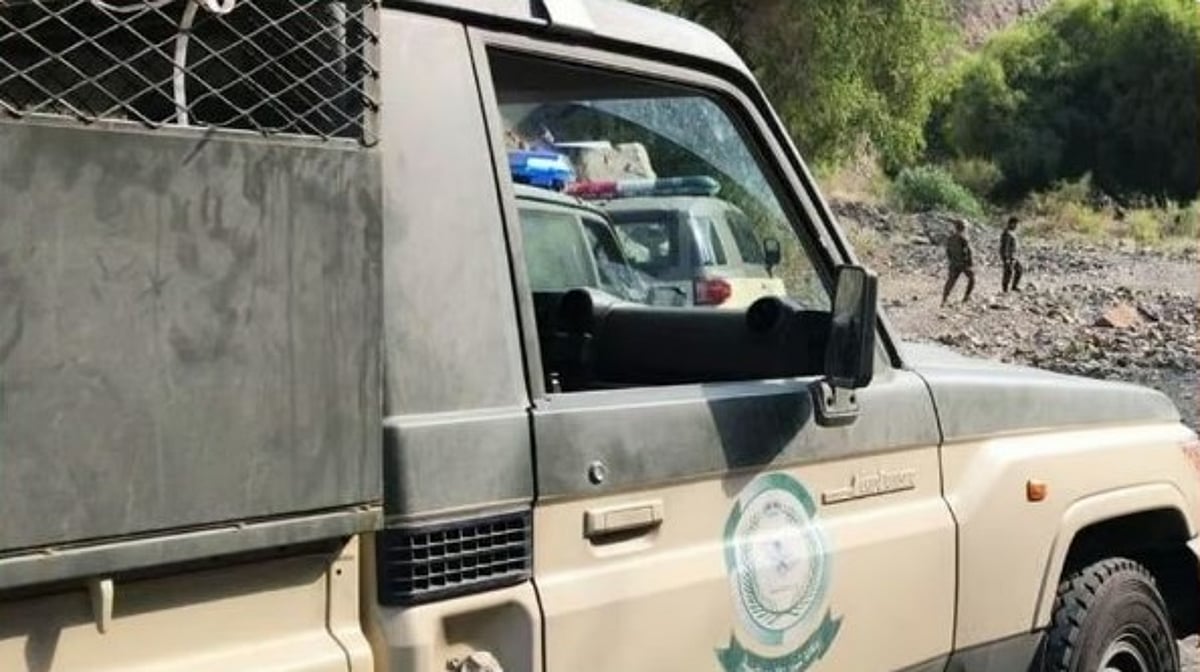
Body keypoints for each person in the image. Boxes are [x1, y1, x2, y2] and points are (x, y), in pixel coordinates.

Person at [941, 218, 975, 306]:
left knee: (951, 281)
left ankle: (944, 299)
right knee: (972, 279)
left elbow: (948, 251)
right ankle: (966, 297)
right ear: (963, 227)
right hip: (963, 263)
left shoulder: (950, 238)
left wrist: (951, 260)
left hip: (954, 263)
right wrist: (970, 262)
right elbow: (968, 251)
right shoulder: (963, 238)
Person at [1000, 215, 1023, 293]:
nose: (1016, 226)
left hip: (1014, 256)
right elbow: (1005, 246)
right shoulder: (1007, 233)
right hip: (1008, 256)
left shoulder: (1012, 233)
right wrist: (1006, 258)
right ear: (1011, 223)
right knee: (1008, 272)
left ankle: (1014, 286)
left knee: (1019, 270)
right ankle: (1005, 289)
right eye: (1015, 224)